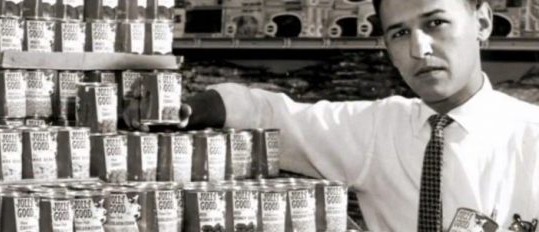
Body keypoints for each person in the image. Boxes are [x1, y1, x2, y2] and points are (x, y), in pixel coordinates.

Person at [122, 0, 539, 230]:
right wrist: (185, 107)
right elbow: (271, 113)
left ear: (482, 22)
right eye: (399, 33)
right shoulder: (377, 129)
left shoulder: (531, 139)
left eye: (436, 23)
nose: (420, 49)